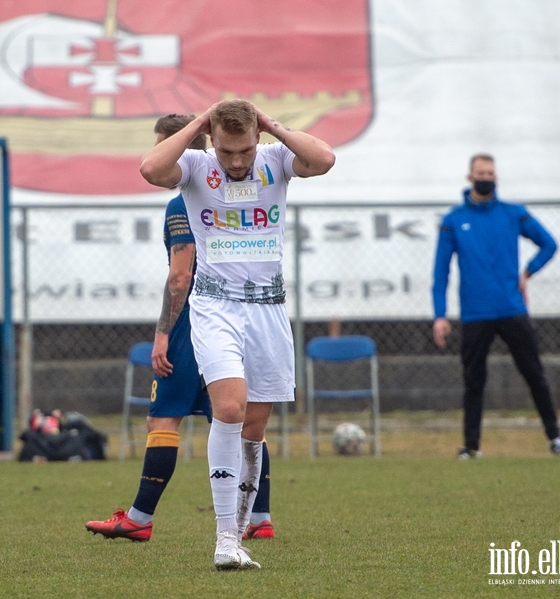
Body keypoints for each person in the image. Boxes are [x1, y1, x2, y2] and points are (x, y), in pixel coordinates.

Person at [140, 99, 335, 570]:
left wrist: (271, 125)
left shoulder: (275, 160)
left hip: (268, 308)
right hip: (215, 307)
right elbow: (151, 168)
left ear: (257, 139)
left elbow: (324, 159)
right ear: (213, 140)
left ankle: (241, 531)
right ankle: (224, 538)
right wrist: (197, 128)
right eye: (227, 151)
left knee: (255, 426)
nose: (236, 161)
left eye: (244, 149)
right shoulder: (196, 165)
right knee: (229, 407)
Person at [86, 114, 276, 543]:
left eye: (159, 146)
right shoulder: (224, 191)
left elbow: (179, 276)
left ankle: (138, 517)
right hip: (236, 315)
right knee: (242, 424)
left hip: (196, 323)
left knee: (163, 418)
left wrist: (162, 334)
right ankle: (260, 516)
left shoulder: (182, 201)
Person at [431, 153, 560, 459]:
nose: (486, 177)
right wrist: (440, 315)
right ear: (469, 177)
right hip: (475, 313)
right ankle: (471, 447)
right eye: (480, 172)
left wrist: (527, 272)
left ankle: (556, 439)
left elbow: (548, 244)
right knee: (473, 382)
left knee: (535, 376)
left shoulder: (513, 213)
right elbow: (440, 272)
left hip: (512, 308)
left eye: (491, 173)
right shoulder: (454, 220)